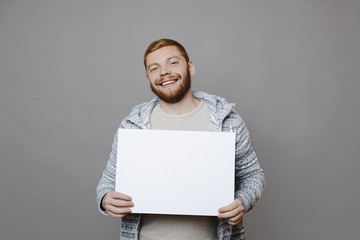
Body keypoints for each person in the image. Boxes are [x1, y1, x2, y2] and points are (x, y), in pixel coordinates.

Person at [96, 39, 265, 240]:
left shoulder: (227, 121)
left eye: (173, 62)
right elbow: (107, 182)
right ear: (148, 78)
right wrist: (106, 199)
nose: (164, 71)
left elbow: (253, 175)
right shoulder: (132, 125)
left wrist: (242, 201)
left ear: (190, 67)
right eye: (154, 68)